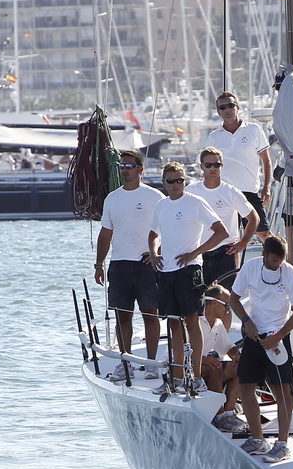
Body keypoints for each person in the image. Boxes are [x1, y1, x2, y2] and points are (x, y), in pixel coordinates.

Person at [147, 162, 229, 393]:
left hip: (189, 270)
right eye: (171, 181)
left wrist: (195, 253)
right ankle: (178, 377)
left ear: (185, 181)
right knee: (173, 322)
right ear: (164, 183)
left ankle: (196, 375)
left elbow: (221, 231)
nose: (176, 185)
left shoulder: (195, 202)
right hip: (166, 271)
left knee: (192, 321)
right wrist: (154, 253)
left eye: (180, 180)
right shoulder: (161, 205)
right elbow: (153, 234)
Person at [230, 235, 293, 463]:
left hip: (277, 339)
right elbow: (234, 299)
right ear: (264, 255)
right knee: (245, 387)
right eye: (274, 261)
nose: (277, 265)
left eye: (280, 262)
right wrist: (246, 320)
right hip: (254, 336)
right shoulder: (251, 268)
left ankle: (282, 444)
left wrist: (279, 335)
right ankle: (258, 438)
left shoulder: (290, 273)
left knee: (282, 391)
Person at [94, 150, 165, 382]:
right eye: (122, 166)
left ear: (140, 169)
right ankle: (126, 362)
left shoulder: (155, 197)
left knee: (150, 315)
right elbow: (105, 233)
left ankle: (152, 364)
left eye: (130, 166)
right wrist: (99, 264)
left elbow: (167, 229)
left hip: (146, 264)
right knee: (122, 316)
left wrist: (157, 253)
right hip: (120, 264)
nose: (125, 170)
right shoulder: (112, 198)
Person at [185, 147, 259, 288]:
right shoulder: (191, 191)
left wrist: (243, 242)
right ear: (202, 167)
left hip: (225, 254)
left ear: (222, 166)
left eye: (217, 165)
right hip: (198, 254)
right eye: (208, 165)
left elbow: (253, 218)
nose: (213, 168)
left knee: (225, 301)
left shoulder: (231, 192)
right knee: (198, 302)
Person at [204, 91, 273, 242]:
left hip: (249, 192)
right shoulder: (213, 137)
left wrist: (267, 187)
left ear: (238, 107)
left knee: (264, 234)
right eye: (223, 107)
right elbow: (207, 167)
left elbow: (266, 161)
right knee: (228, 239)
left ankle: (277, 265)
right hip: (225, 194)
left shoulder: (254, 130)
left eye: (231, 105)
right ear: (218, 112)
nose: (227, 110)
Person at [199, 284, 245, 433]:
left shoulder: (218, 324)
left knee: (242, 366)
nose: (228, 310)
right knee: (216, 367)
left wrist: (238, 357)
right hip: (189, 368)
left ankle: (228, 413)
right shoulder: (194, 321)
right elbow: (181, 352)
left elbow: (227, 347)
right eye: (226, 305)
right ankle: (219, 416)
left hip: (207, 367)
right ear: (212, 303)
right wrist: (204, 359)